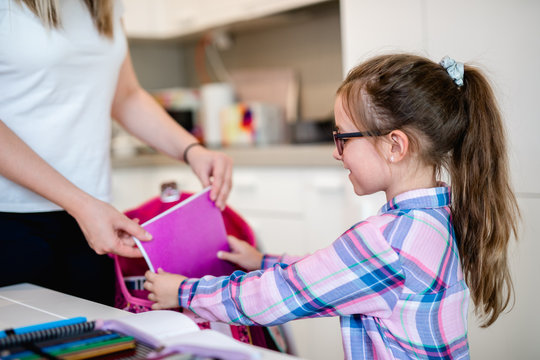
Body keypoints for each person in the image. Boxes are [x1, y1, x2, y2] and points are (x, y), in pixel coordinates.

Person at [144, 53, 520, 359]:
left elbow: (280, 294)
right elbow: (332, 274)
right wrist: (264, 263)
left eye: (343, 138)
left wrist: (183, 293)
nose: (336, 153)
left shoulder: (387, 242)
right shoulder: (435, 219)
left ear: (395, 146)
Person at [0, 0, 232, 306]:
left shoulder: (106, 5)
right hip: (12, 218)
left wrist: (192, 150)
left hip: (93, 217)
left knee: (100, 344)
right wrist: (80, 204)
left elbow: (126, 96)